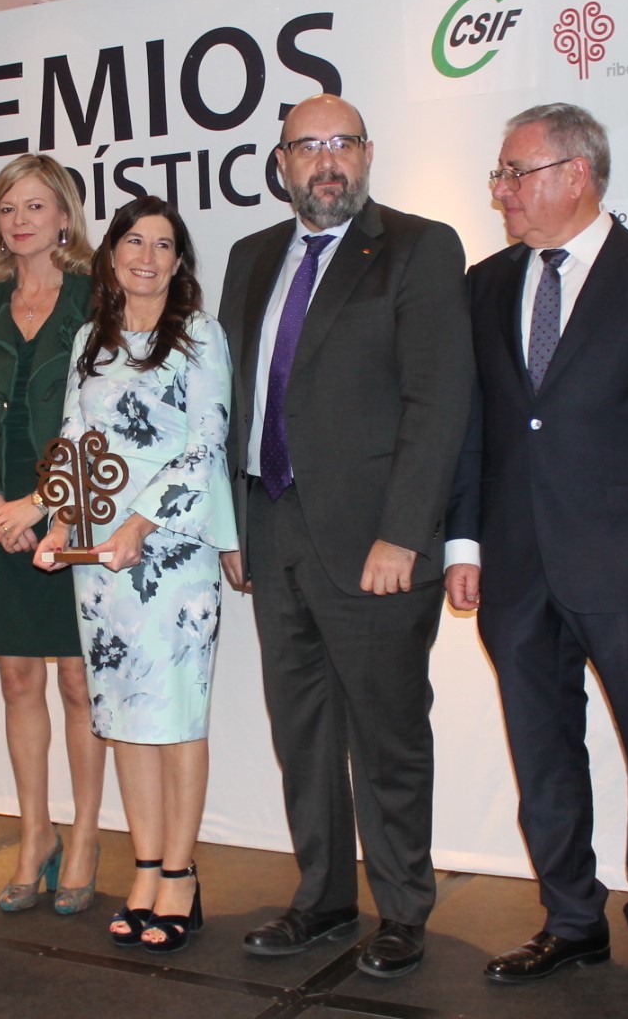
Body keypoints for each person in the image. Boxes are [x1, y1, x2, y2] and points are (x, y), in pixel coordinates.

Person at [443, 103, 628, 1016]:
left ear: (576, 173)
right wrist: (464, 540)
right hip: (516, 569)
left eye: (514, 173)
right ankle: (570, 919)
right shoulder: (486, 285)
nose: (501, 192)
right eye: (499, 175)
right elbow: (475, 427)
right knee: (542, 753)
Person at [218, 95, 473, 978]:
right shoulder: (251, 257)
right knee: (304, 734)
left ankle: (402, 909)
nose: (325, 162)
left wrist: (404, 533)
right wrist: (230, 522)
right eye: (306, 147)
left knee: (388, 734)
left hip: (374, 546)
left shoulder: (418, 247)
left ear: (366, 154)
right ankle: (322, 899)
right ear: (280, 164)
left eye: (341, 144)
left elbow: (437, 401)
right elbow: (233, 401)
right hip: (270, 528)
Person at [36, 195, 236, 954]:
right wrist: (62, 521)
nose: (147, 257)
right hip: (98, 559)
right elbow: (73, 437)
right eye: (134, 242)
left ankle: (180, 875)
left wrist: (139, 524)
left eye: (163, 245)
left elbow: (205, 443)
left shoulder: (201, 336)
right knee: (125, 718)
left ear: (179, 262)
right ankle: (145, 867)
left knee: (176, 716)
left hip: (172, 551)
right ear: (111, 254)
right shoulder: (88, 338)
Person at [0, 154, 104, 914]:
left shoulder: (97, 297)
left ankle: (85, 837)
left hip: (73, 507)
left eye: (35, 206)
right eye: (8, 207)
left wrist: (44, 504)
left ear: (63, 217)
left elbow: (105, 414)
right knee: (17, 678)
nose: (19, 220)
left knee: (77, 680)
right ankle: (34, 834)